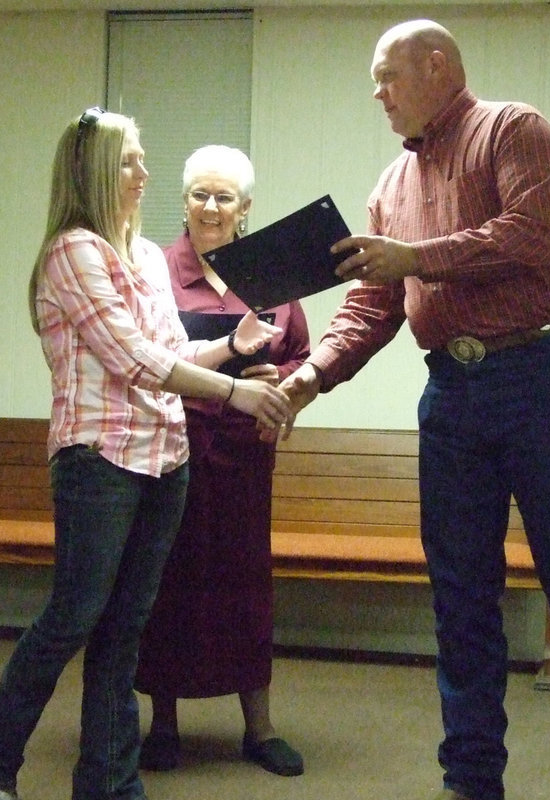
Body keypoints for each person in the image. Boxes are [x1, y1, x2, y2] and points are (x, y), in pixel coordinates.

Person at [276, 20, 550, 800]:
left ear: (436, 63)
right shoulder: (389, 186)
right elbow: (371, 307)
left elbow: (526, 236)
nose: (377, 96)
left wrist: (415, 257)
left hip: (544, 375)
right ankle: (470, 782)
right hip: (450, 394)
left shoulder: (516, 132)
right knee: (459, 600)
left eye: (387, 77)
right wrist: (307, 376)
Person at [0, 109, 293, 800]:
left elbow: (169, 354)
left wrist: (234, 344)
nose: (145, 173)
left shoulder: (141, 256)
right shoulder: (74, 250)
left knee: (125, 629)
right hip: (99, 462)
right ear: (97, 169)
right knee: (72, 618)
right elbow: (131, 359)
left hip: (165, 461)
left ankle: (109, 782)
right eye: (131, 160)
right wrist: (235, 391)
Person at [134, 145, 308, 777]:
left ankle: (258, 729)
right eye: (200, 195)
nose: (210, 207)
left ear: (246, 209)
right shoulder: (154, 268)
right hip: (169, 452)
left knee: (245, 586)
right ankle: (164, 726)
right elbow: (145, 355)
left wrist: (281, 376)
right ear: (183, 201)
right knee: (167, 587)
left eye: (224, 197)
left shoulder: (270, 270)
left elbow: (301, 355)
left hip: (243, 458)